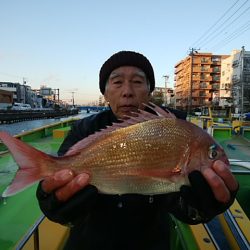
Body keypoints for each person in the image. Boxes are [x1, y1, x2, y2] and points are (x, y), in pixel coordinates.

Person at [36, 51, 238, 250]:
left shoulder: (176, 126)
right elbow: (62, 172)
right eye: (117, 82)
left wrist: (200, 208)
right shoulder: (84, 129)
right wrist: (55, 204)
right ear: (105, 93)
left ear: (149, 91)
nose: (127, 91)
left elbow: (179, 204)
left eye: (138, 82)